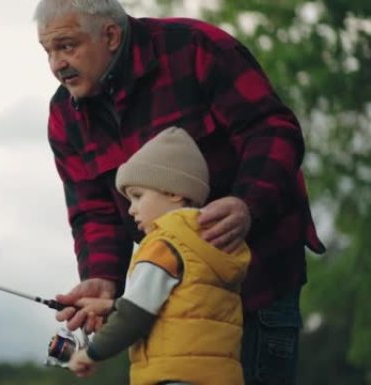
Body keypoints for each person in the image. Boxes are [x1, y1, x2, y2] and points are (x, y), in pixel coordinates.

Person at [33, 1, 325, 384]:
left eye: (67, 46)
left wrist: (247, 203)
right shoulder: (64, 117)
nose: (57, 64)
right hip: (173, 306)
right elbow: (93, 213)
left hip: (260, 278)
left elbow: (271, 129)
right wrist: (103, 276)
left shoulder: (195, 50)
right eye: (48, 51)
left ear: (110, 35)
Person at [67, 126, 251, 384]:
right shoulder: (212, 245)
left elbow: (136, 314)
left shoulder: (163, 244)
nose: (131, 210)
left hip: (171, 377)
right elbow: (176, 305)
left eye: (138, 196)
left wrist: (92, 353)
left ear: (174, 192)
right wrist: (111, 307)